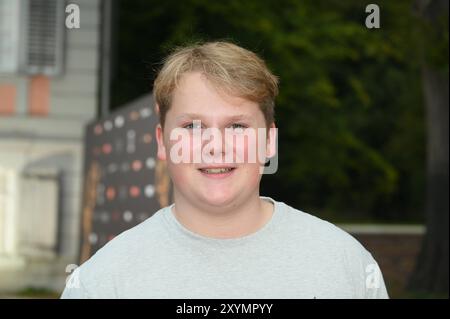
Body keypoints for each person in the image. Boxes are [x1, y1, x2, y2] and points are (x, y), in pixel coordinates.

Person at [61, 41, 389, 299]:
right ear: (162, 142)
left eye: (236, 126)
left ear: (269, 141)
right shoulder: (101, 283)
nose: (215, 145)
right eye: (192, 126)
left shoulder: (346, 266)